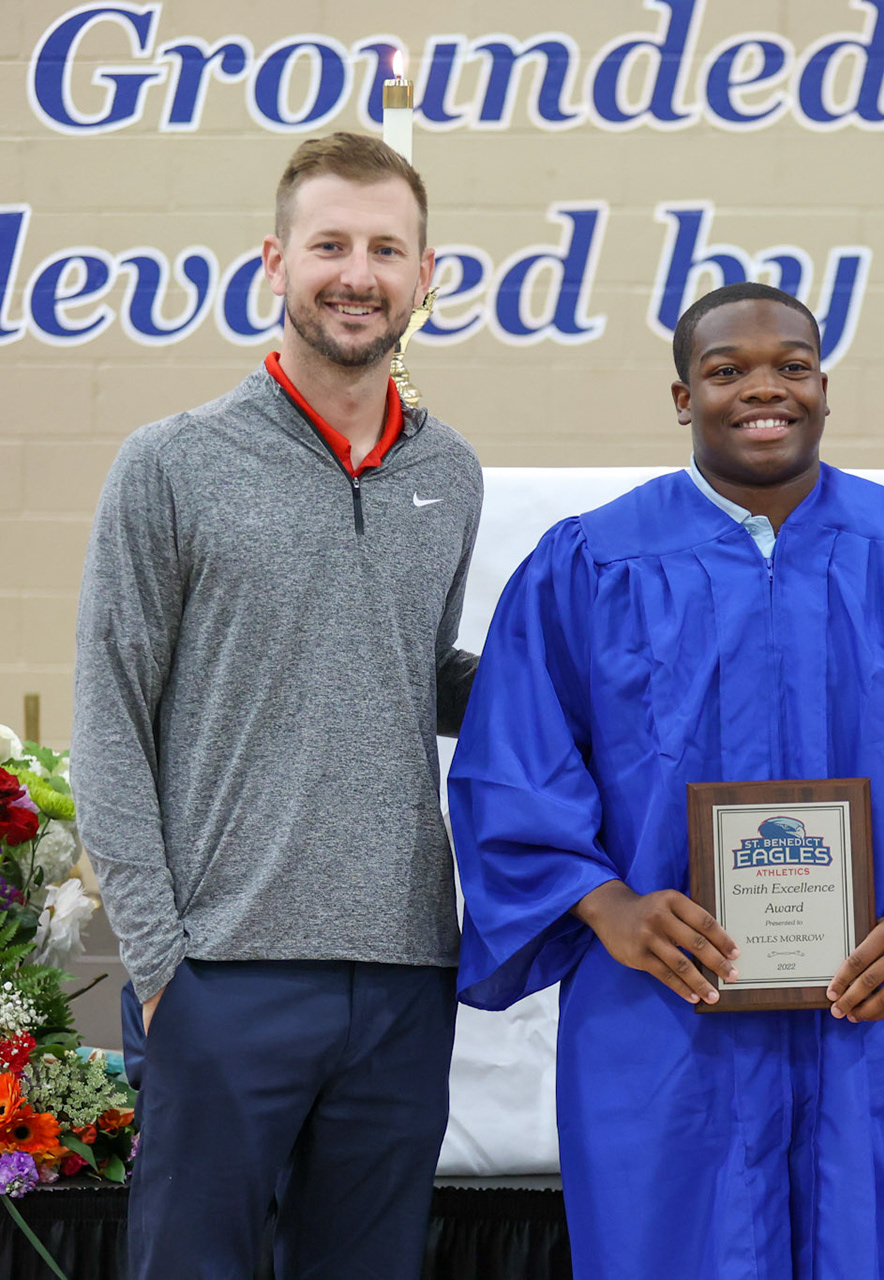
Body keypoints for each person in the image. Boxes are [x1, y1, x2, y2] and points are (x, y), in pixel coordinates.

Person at [448, 281, 884, 1280]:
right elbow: (514, 766)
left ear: (823, 386)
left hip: (864, 998)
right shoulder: (591, 564)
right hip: (662, 1003)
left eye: (793, 367)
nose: (766, 389)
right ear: (684, 398)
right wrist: (606, 904)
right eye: (728, 370)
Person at [70, 133, 482, 1278]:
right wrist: (160, 963)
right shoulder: (173, 462)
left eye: (386, 248)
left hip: (403, 971)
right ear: (275, 261)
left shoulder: (450, 470)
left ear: (427, 274)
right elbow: (108, 717)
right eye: (331, 244)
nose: (359, 273)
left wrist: (562, 686)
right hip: (223, 964)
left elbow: (411, 665)